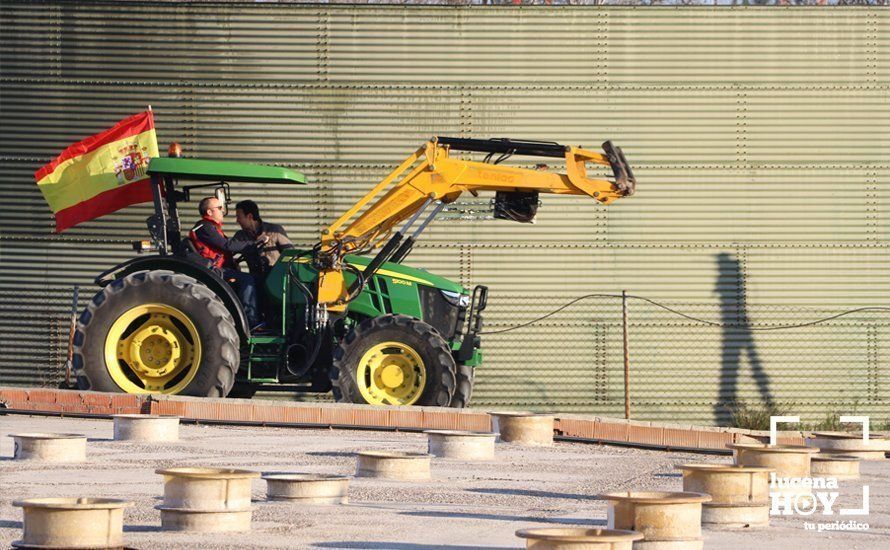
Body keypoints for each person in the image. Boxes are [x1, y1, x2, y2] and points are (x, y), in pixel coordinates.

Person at [189, 196, 265, 330]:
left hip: (219, 268)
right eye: (219, 208)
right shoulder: (204, 227)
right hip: (213, 270)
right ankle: (251, 322)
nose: (223, 211)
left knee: (256, 280)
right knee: (248, 280)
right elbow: (227, 245)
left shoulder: (211, 228)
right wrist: (254, 243)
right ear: (209, 212)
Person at [232, 200, 293, 280]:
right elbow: (228, 252)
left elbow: (291, 255)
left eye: (239, 217)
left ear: (249, 216)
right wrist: (233, 264)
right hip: (254, 281)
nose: (237, 221)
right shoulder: (240, 236)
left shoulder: (275, 230)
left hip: (275, 280)